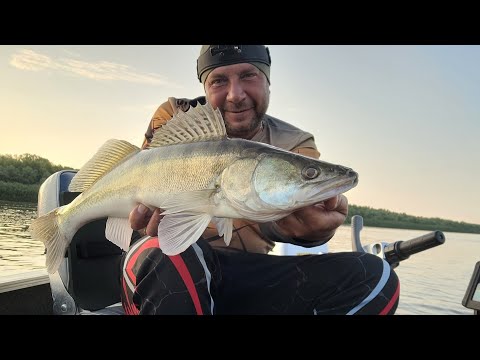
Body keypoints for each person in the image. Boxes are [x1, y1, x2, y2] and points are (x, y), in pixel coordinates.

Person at [120, 45, 400, 315]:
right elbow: (141, 187)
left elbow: (292, 214)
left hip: (245, 273)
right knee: (171, 253)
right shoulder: (176, 115)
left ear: (267, 80)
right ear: (205, 88)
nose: (235, 95)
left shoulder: (296, 144)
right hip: (163, 262)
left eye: (248, 75)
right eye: (218, 80)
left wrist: (315, 231)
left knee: (375, 277)